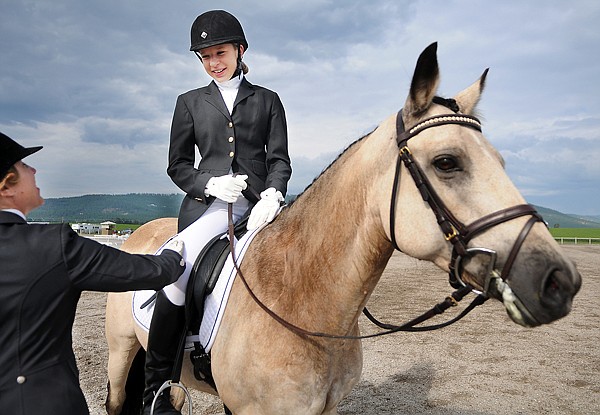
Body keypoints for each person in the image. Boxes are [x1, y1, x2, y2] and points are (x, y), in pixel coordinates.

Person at [141, 9, 292, 415]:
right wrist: (208, 184)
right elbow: (177, 165)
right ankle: (156, 389)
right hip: (209, 207)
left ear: (240, 50)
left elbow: (279, 160)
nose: (214, 63)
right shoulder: (189, 103)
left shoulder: (267, 100)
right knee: (178, 269)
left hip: (260, 206)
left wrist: (274, 194)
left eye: (220, 53)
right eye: (205, 57)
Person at [0, 131, 186, 415]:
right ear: (6, 186)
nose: (34, 169)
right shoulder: (54, 246)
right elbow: (143, 271)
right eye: (24, 165)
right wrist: (176, 253)